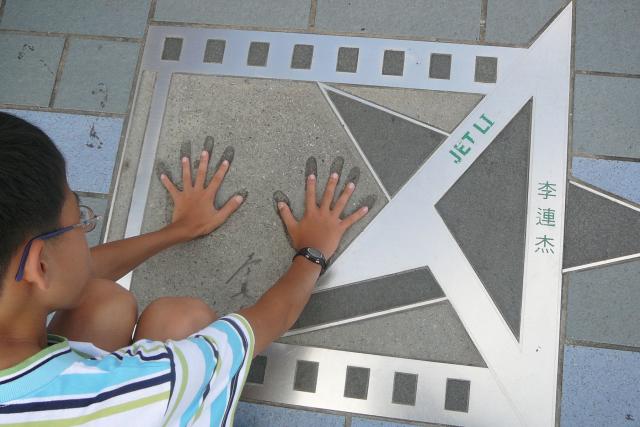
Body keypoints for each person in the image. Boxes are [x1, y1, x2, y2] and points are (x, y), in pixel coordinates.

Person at [0, 111, 370, 425]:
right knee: (182, 319)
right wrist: (313, 252)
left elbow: (77, 273)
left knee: (99, 300)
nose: (84, 228)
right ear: (40, 265)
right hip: (130, 406)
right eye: (80, 220)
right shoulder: (155, 385)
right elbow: (262, 324)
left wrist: (179, 230)